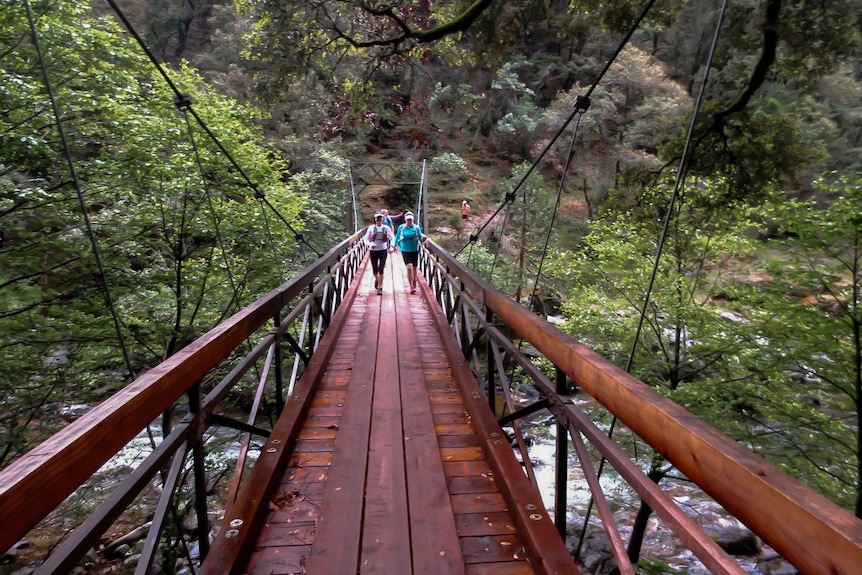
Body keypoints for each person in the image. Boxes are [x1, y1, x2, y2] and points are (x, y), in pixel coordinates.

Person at [393, 211, 426, 294]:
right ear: (405, 220)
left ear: (413, 220)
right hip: (405, 249)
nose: (409, 221)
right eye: (408, 220)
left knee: (414, 268)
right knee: (409, 267)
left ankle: (414, 281)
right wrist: (394, 246)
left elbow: (421, 238)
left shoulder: (416, 228)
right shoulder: (402, 227)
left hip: (414, 249)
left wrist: (424, 239)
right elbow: (397, 237)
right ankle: (411, 286)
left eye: (410, 220)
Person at [365, 212, 393, 295]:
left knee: (381, 268)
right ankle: (377, 279)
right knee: (374, 270)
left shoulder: (386, 228)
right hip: (373, 250)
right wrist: (370, 244)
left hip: (383, 250)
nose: (379, 220)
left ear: (383, 219)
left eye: (380, 218)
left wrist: (390, 243)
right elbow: (365, 239)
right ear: (375, 219)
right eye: (378, 218)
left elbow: (391, 238)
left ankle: (380, 287)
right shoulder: (371, 228)